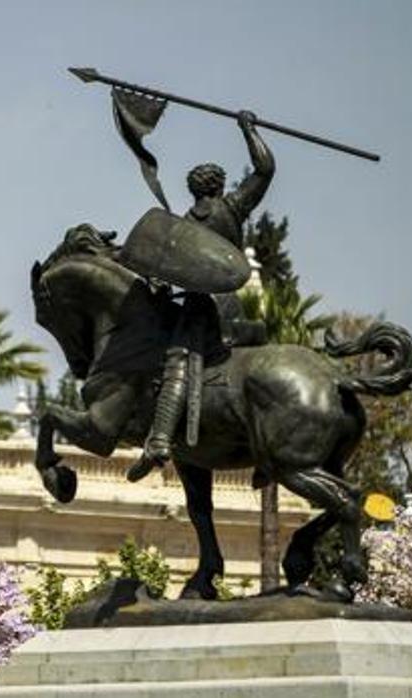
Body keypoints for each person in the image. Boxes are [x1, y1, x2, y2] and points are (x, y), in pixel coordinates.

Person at [128, 110, 274, 481]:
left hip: (201, 309)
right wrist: (248, 129)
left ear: (194, 189)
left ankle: (159, 438)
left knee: (177, 360)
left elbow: (167, 273)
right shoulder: (232, 208)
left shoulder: (185, 226)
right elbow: (265, 170)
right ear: (219, 186)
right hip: (228, 304)